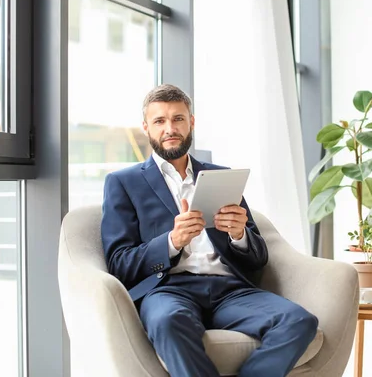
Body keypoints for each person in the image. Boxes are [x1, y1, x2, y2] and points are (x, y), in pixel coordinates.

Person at [101, 84, 318, 377]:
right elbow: (118, 263)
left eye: (178, 118)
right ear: (146, 128)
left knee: (299, 321)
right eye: (159, 121)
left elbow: (259, 257)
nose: (170, 128)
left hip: (230, 291)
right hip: (168, 290)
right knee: (167, 322)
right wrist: (171, 242)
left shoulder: (220, 176)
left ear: (191, 122)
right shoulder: (123, 183)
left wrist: (240, 235)